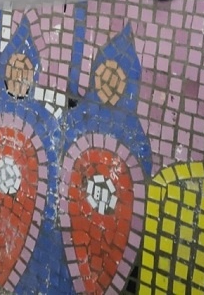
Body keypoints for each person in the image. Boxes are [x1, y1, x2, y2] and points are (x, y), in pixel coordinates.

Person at [0, 18, 64, 294]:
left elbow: (51, 187)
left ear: (34, 75)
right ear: (4, 69)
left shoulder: (46, 123)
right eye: (14, 66)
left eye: (25, 68)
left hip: (25, 229)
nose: (19, 74)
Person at [58, 25, 152, 294]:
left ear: (128, 84)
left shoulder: (137, 140)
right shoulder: (73, 121)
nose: (109, 83)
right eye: (105, 73)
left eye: (117, 77)